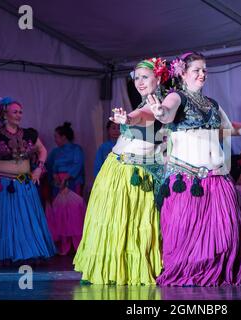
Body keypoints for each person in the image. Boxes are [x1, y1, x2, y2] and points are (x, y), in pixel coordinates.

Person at [148, 52, 241, 286]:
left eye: (204, 70)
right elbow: (167, 111)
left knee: (225, 234)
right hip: (189, 180)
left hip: (217, 179)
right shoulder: (176, 97)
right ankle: (190, 275)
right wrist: (161, 113)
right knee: (187, 235)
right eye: (197, 70)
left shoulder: (212, 104)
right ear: (182, 73)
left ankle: (217, 274)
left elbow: (229, 127)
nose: (202, 74)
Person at [73, 57, 169, 285]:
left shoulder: (161, 105)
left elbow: (144, 116)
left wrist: (128, 118)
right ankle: (112, 269)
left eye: (145, 77)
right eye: (136, 78)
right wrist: (128, 117)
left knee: (132, 222)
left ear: (159, 77)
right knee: (113, 220)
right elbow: (140, 115)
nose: (139, 82)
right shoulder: (143, 103)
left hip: (134, 173)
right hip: (117, 167)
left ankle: (127, 270)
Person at [0, 96, 56, 263]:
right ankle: (5, 254)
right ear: (4, 114)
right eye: (15, 112)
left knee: (26, 220)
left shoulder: (30, 134)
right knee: (5, 221)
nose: (19, 115)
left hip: (24, 184)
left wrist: (38, 169)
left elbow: (42, 150)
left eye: (20, 112)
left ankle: (27, 253)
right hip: (1, 186)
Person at [45, 122, 86, 255]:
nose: (55, 140)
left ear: (64, 137)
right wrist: (56, 177)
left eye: (56, 137)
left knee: (74, 214)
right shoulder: (55, 152)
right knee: (61, 214)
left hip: (72, 184)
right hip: (58, 185)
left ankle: (77, 245)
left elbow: (78, 165)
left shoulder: (76, 149)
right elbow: (50, 166)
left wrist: (66, 178)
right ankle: (64, 245)